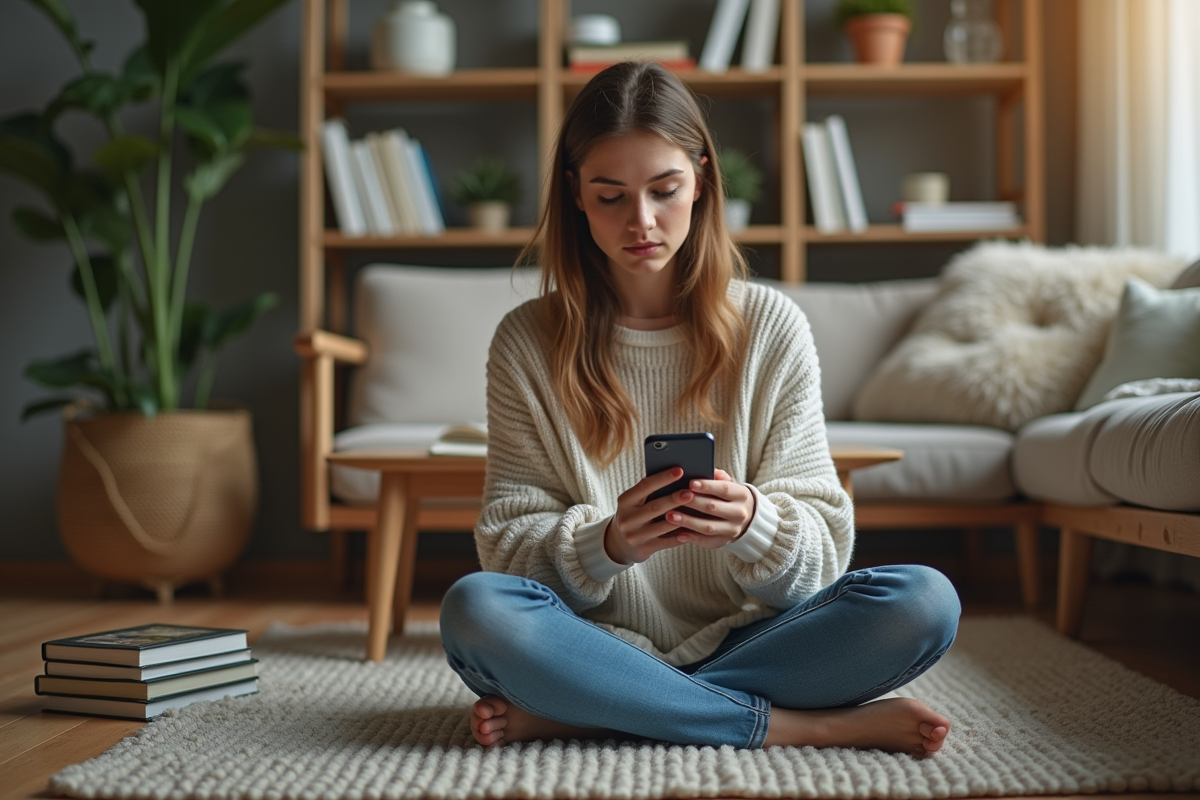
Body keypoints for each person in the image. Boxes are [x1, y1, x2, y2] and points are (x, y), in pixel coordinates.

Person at [439, 61, 960, 756]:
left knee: (923, 601)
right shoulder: (527, 343)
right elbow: (506, 551)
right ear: (576, 197)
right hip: (593, 639)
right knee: (477, 611)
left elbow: (826, 551)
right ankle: (794, 726)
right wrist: (608, 544)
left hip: (752, 635)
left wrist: (754, 524)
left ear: (703, 179)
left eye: (665, 190)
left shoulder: (771, 326)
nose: (642, 221)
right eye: (611, 196)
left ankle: (601, 708)